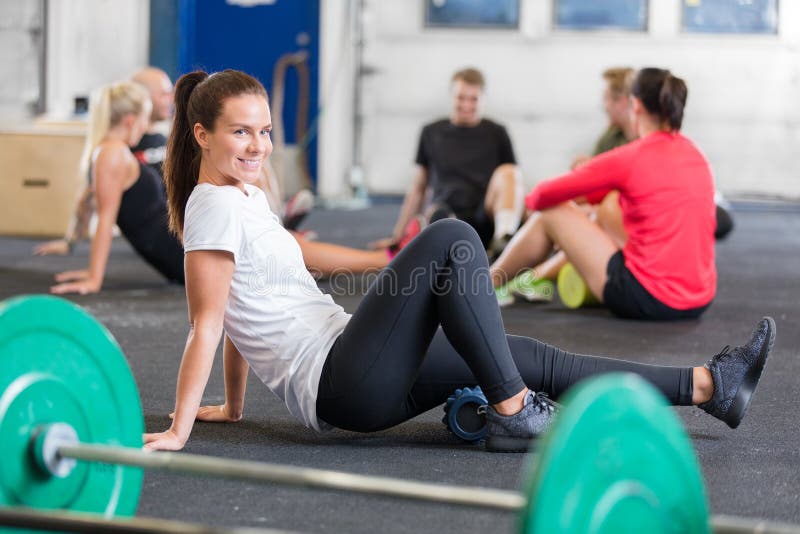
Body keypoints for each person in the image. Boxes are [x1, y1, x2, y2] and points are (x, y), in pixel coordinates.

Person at [143, 69, 775, 455]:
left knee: (523, 355)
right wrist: (179, 431)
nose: (259, 145)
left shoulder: (243, 198)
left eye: (265, 130)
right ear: (201, 134)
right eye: (241, 132)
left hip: (352, 365)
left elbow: (242, 305)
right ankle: (512, 412)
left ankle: (708, 387)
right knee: (452, 238)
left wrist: (234, 406)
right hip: (339, 379)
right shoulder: (213, 207)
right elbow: (209, 321)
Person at [491, 68, 717, 320]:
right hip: (699, 300)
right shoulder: (697, 155)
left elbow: (542, 195)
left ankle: (482, 287)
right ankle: (531, 279)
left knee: (552, 212)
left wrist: (536, 206)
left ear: (635, 104)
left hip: (648, 298)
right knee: (603, 212)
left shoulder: (631, 156)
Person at [38, 81, 185, 294]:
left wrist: (70, 243)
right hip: (178, 255)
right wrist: (94, 279)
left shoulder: (106, 151)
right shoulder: (112, 154)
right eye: (145, 119)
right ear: (130, 120)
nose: (146, 127)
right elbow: (105, 220)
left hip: (180, 248)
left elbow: (85, 201)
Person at [371, 68, 524, 257]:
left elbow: (513, 188)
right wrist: (397, 236)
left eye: (473, 99)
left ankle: (505, 240)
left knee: (510, 172)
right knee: (438, 214)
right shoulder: (431, 132)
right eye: (461, 97)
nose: (466, 105)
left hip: (484, 216)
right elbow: (418, 188)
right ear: (452, 96)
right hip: (444, 213)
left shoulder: (497, 133)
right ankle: (438, 239)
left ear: (483, 98)